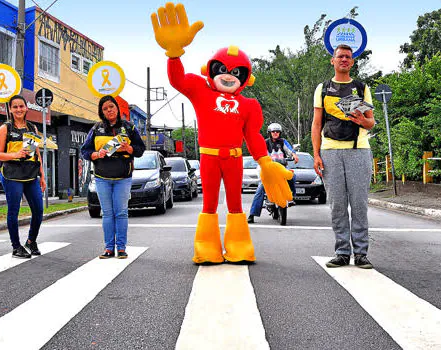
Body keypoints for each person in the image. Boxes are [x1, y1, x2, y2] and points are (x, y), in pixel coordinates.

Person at [151, 3, 293, 264]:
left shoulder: (249, 105)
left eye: (236, 72)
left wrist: (265, 161)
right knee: (209, 204)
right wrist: (173, 54)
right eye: (223, 70)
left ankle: (238, 245)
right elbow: (177, 79)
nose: (228, 76)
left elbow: (252, 136)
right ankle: (206, 247)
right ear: (211, 69)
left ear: (246, 77)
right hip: (208, 158)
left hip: (235, 158)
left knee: (236, 203)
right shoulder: (200, 90)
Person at [311, 44, 376, 269]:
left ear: (352, 61)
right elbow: (317, 123)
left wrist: (361, 120)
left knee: (359, 204)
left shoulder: (361, 87)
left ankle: (361, 253)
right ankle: (341, 252)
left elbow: (371, 122)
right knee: (337, 205)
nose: (344, 60)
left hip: (358, 149)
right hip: (330, 151)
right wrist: (316, 154)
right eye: (340, 57)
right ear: (333, 61)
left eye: (348, 57)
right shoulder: (323, 88)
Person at [81, 95, 145, 259]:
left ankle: (121, 248)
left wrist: (129, 148)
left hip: (123, 177)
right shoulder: (96, 129)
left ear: (117, 108)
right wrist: (96, 154)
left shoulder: (129, 128)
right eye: (105, 108)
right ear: (101, 112)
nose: (109, 110)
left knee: (121, 212)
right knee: (107, 213)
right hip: (102, 177)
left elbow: (140, 149)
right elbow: (85, 151)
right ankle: (109, 248)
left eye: (111, 107)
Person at [0, 95, 46, 258]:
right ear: (10, 109)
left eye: (21, 106)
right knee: (14, 211)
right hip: (12, 174)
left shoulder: (33, 128)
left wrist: (42, 175)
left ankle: (31, 241)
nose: (18, 109)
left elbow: (37, 153)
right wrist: (15, 154)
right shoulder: (5, 128)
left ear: (26, 108)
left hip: (31, 174)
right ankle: (16, 247)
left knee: (38, 210)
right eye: (15, 107)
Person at [247, 122, 298, 223]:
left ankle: (291, 197)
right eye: (273, 131)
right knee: (260, 189)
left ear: (280, 133)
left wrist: (294, 155)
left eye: (277, 131)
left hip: (281, 169)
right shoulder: (265, 143)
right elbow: (261, 152)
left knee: (292, 176)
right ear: (269, 132)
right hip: (268, 171)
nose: (275, 133)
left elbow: (289, 150)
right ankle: (252, 214)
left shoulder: (283, 142)